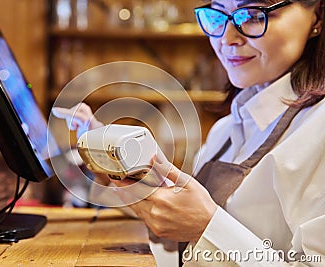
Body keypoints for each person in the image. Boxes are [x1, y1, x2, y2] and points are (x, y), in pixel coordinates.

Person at [53, 0, 325, 265]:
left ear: (317, 16)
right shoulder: (228, 128)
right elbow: (178, 215)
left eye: (252, 15)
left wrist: (205, 226)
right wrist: (114, 158)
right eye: (218, 15)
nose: (227, 38)